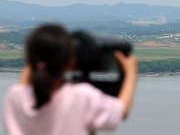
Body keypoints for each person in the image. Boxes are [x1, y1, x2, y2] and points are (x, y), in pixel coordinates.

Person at [3, 24, 137, 135]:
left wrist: (35, 60)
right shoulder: (81, 96)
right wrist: (130, 74)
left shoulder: (15, 96)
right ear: (70, 62)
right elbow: (121, 112)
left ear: (29, 60)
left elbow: (23, 88)